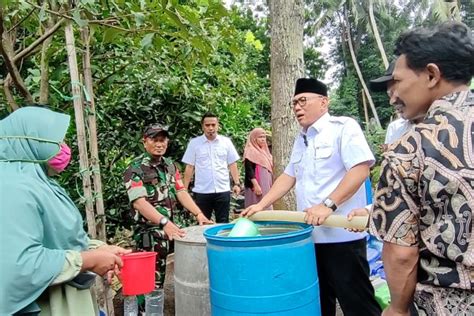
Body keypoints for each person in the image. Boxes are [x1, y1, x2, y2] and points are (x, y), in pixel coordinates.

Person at [350, 22, 474, 315]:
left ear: (431, 74)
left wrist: (398, 308)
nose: (392, 95)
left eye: (398, 81)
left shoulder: (410, 149)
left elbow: (401, 253)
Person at [243, 78, 381, 316]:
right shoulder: (302, 138)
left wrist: (328, 205)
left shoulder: (343, 127)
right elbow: (288, 176)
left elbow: (360, 169)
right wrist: (261, 205)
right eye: (294, 103)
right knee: (317, 304)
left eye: (303, 101)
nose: (297, 107)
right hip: (308, 238)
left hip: (342, 237)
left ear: (324, 102)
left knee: (357, 304)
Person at [0, 106, 129, 315]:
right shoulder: (12, 188)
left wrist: (98, 249)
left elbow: (57, 238)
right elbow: (19, 265)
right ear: (30, 140)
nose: (63, 148)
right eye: (56, 141)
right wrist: (88, 260)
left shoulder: (36, 180)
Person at [123, 123, 212, 289]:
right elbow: (139, 203)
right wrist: (164, 223)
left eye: (162, 139)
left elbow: (181, 191)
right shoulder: (135, 169)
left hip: (174, 230)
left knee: (185, 277)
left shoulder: (170, 165)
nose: (159, 144)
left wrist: (198, 214)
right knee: (149, 282)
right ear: (144, 142)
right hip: (151, 234)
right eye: (154, 139)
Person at [182, 112, 241, 223]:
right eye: (207, 125)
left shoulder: (226, 142)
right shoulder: (194, 144)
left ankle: (221, 241)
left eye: (213, 125)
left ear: (218, 125)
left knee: (223, 222)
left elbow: (232, 163)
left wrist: (237, 183)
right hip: (202, 191)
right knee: (202, 222)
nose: (210, 128)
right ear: (202, 126)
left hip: (222, 190)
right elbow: (190, 167)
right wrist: (184, 189)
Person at [243, 127, 273, 208]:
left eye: (264, 137)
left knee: (267, 205)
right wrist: (256, 185)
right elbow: (249, 169)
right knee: (255, 205)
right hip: (256, 185)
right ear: (254, 139)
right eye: (260, 137)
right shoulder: (250, 151)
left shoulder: (265, 152)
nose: (263, 139)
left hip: (266, 184)